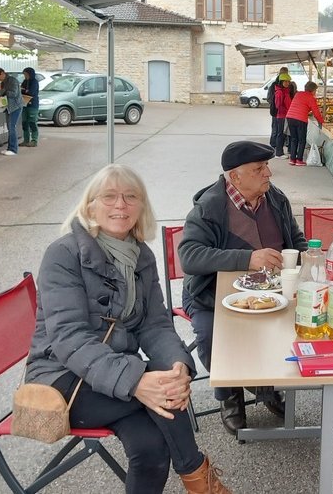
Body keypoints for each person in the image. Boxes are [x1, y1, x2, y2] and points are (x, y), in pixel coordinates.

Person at [24, 164, 229, 494]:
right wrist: (136, 381)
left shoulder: (140, 256)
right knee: (165, 397)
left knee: (152, 446)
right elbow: (69, 338)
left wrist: (177, 366)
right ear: (90, 205)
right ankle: (202, 482)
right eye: (109, 196)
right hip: (61, 377)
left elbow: (156, 325)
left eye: (131, 196)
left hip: (113, 374)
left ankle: (199, 480)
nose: (120, 204)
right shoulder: (63, 255)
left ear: (142, 206)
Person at [180, 141, 307, 433]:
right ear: (235, 177)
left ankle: (265, 388)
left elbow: (296, 240)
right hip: (211, 294)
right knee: (212, 333)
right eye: (258, 169)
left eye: (266, 167)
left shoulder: (275, 198)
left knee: (294, 322)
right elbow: (189, 255)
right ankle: (230, 395)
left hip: (270, 291)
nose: (268, 174)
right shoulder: (211, 205)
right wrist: (248, 258)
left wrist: (306, 260)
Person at [284, 81, 324, 166]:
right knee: (302, 140)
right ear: (312, 90)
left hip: (290, 117)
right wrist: (321, 122)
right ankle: (299, 160)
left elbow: (299, 105)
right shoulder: (311, 98)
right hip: (300, 119)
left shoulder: (298, 94)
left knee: (294, 139)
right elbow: (316, 113)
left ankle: (292, 159)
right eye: (315, 91)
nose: (315, 92)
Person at [0, 67, 22, 156]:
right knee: (9, 127)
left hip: (15, 106)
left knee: (11, 127)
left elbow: (14, 93)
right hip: (9, 107)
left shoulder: (12, 81)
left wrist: (3, 91)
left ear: (2, 73)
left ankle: (13, 149)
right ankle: (10, 148)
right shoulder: (4, 81)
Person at [271, 73, 293, 158]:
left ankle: (280, 152)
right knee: (281, 134)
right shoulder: (280, 92)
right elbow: (278, 105)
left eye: (288, 81)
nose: (287, 83)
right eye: (285, 81)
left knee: (282, 134)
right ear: (281, 82)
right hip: (281, 116)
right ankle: (279, 153)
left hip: (284, 115)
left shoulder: (285, 91)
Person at [19, 67, 40, 148]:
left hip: (32, 105)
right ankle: (26, 140)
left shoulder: (34, 82)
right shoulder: (24, 81)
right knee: (24, 122)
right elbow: (21, 91)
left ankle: (34, 140)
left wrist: (25, 91)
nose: (25, 76)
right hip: (24, 104)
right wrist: (24, 91)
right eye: (24, 74)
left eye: (26, 74)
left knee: (32, 122)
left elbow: (31, 92)